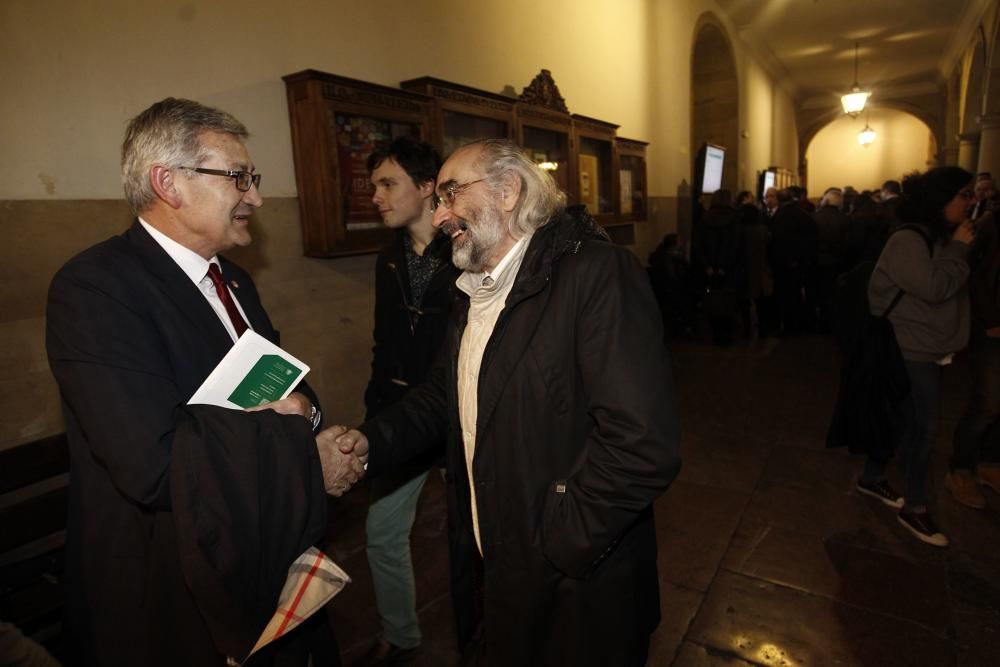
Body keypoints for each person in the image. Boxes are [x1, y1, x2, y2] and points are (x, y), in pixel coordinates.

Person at [333, 139, 681, 665]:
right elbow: (440, 397)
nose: (441, 213)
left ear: (509, 190)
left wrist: (558, 541)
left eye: (451, 193)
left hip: (574, 580)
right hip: (494, 563)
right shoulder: (471, 288)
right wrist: (368, 442)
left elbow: (641, 445)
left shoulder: (595, 275)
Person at [46, 98, 364, 667]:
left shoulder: (234, 281)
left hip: (258, 550)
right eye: (238, 177)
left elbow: (288, 386)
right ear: (168, 182)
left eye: (254, 178)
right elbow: (152, 466)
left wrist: (312, 425)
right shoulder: (96, 288)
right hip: (168, 586)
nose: (257, 198)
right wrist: (302, 457)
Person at [357, 137, 457, 665]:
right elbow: (384, 341)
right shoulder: (388, 258)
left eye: (388, 183)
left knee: (474, 535)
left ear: (426, 188)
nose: (376, 196)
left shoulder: (466, 250)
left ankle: (485, 631)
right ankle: (400, 634)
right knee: (382, 531)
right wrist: (378, 411)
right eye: (374, 185)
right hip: (400, 417)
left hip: (457, 417)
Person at [858, 166, 975, 547]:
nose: (970, 202)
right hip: (911, 347)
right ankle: (917, 506)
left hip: (926, 345)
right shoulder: (911, 240)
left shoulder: (934, 237)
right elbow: (934, 288)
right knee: (923, 428)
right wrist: (959, 249)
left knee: (906, 419)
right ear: (940, 200)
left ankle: (873, 476)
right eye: (963, 195)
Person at [946, 203, 1000, 509]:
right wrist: (990, 320)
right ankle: (961, 469)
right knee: (987, 402)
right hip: (993, 329)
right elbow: (975, 275)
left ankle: (990, 463)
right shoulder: (991, 225)